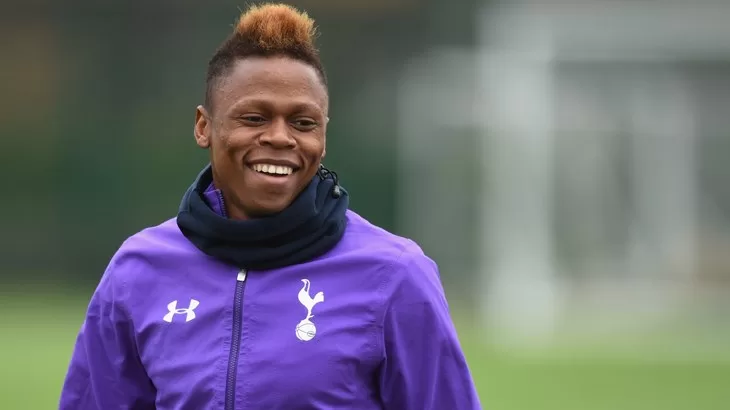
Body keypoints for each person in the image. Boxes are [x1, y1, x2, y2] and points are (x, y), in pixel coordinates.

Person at [58, 3, 481, 409]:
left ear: (323, 135)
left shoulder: (395, 275)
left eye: (303, 122)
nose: (280, 137)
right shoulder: (137, 272)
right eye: (254, 118)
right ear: (204, 126)